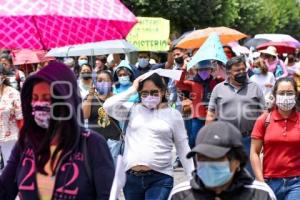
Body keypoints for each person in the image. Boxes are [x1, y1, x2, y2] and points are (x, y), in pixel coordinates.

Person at [0, 61, 114, 200]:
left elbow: (107, 195)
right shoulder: (25, 144)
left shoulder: (92, 144)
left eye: (47, 98)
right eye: (35, 98)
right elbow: (4, 191)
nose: (39, 104)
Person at [104, 73, 194, 200]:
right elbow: (107, 106)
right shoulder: (131, 110)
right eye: (144, 93)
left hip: (160, 178)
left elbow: (183, 147)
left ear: (162, 92)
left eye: (154, 92)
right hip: (131, 179)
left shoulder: (173, 115)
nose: (149, 96)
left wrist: (192, 178)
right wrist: (132, 89)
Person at [168, 121, 276, 200]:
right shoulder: (180, 195)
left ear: (237, 161)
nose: (207, 164)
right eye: (202, 158)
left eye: (216, 158)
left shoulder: (260, 194)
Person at [206, 55, 265, 174]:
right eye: (237, 70)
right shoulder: (219, 89)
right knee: (228, 175)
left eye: (243, 69)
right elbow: (211, 114)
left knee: (249, 175)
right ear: (228, 72)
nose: (242, 72)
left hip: (250, 139)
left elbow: (263, 114)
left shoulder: (254, 88)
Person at [251, 77, 300, 200]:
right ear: (274, 95)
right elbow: (254, 152)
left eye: (289, 93)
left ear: (296, 95)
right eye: (281, 93)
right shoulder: (264, 120)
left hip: (296, 183)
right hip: (270, 182)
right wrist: (260, 181)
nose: (285, 96)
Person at [176, 60, 217, 149]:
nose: (204, 71)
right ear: (197, 71)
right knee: (194, 139)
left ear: (211, 70)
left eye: (206, 69)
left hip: (212, 116)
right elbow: (179, 84)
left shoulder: (216, 82)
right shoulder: (192, 83)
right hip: (197, 116)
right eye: (201, 70)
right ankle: (189, 158)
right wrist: (184, 69)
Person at [82, 70, 121, 140]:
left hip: (114, 141)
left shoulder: (117, 98)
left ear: (111, 83)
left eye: (105, 81)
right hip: (95, 141)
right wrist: (90, 96)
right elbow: (84, 115)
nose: (102, 83)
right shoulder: (90, 97)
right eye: (99, 81)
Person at [0, 65, 23, 172]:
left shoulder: (13, 94)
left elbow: (21, 117)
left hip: (10, 138)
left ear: (3, 77)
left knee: (11, 168)